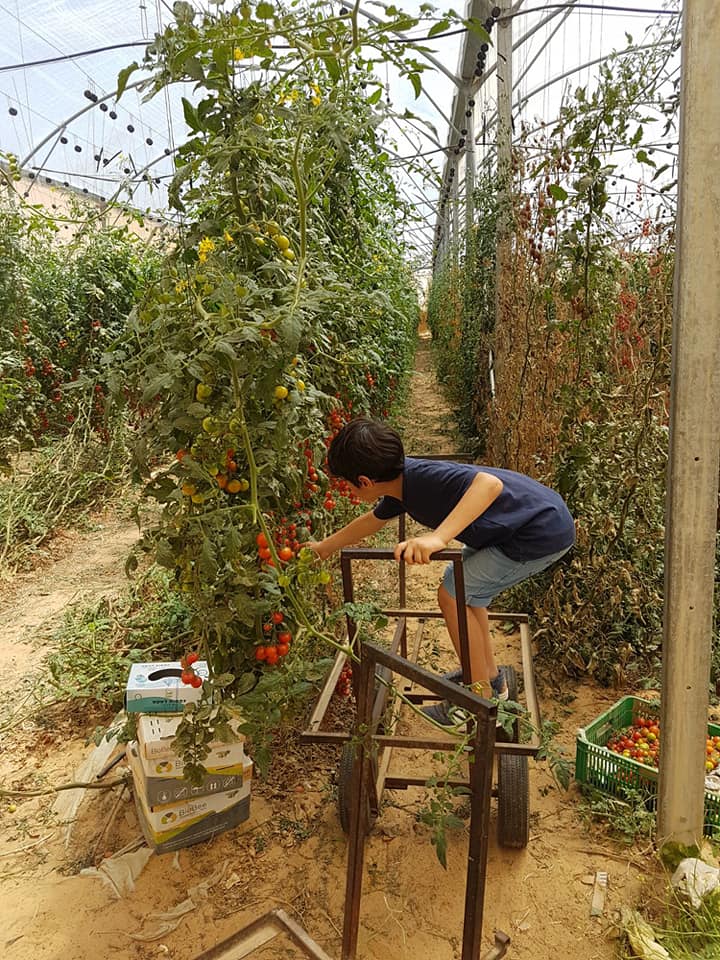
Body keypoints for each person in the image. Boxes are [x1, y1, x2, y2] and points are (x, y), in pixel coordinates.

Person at [307, 418, 575, 727]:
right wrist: (325, 547)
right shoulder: (403, 486)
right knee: (467, 594)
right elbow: (373, 520)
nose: (349, 491)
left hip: (537, 532)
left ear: (365, 481)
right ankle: (488, 679)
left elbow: (489, 485)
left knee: (451, 593)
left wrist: (438, 538)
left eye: (348, 484)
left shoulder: (422, 479)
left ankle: (480, 700)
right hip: (515, 526)